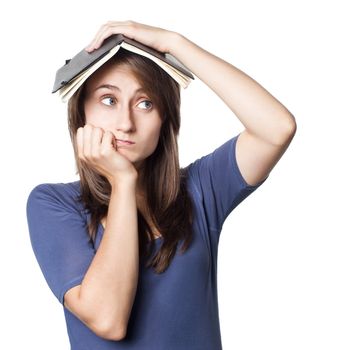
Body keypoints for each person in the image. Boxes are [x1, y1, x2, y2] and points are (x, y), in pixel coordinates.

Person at [26, 20, 296, 349]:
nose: (126, 123)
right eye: (108, 100)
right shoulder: (54, 203)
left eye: (145, 103)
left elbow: (276, 128)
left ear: (164, 118)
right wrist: (123, 181)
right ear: (81, 112)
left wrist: (174, 43)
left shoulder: (199, 190)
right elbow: (108, 319)